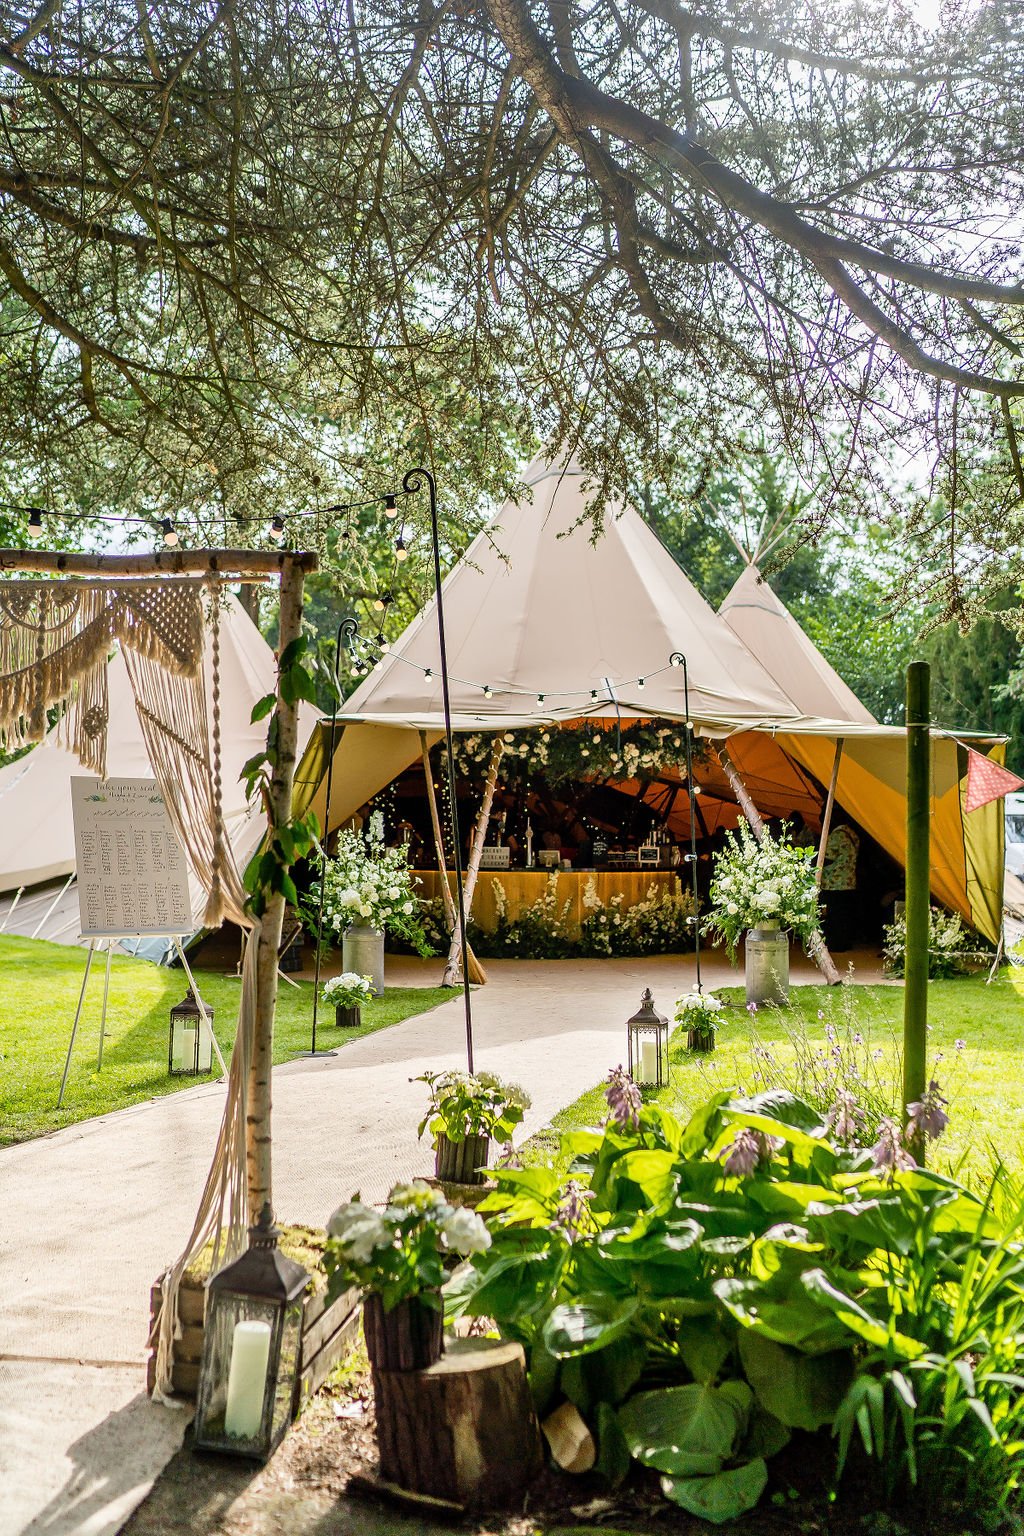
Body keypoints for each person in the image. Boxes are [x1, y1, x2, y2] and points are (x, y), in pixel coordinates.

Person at [820, 816, 861, 951]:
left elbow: (827, 858)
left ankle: (836, 944)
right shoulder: (852, 834)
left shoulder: (836, 835)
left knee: (834, 915)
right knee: (845, 915)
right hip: (849, 881)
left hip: (834, 883)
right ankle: (845, 942)